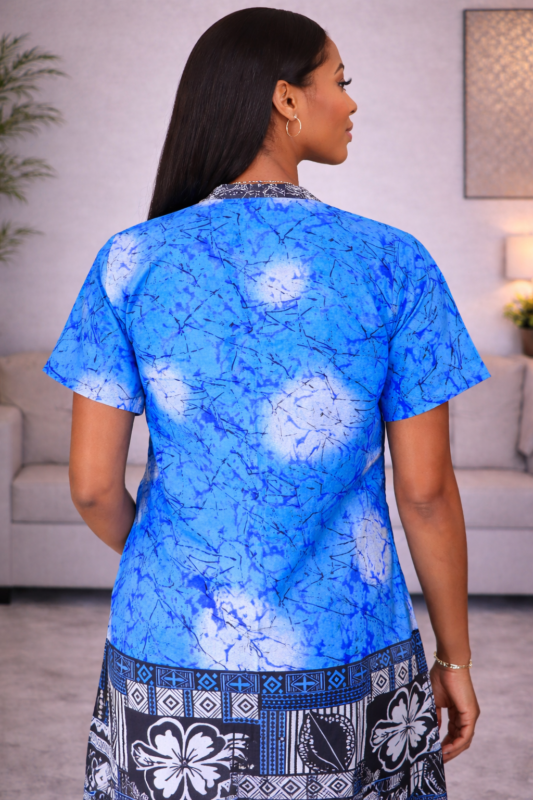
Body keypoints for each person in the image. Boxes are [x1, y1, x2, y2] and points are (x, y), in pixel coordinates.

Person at [44, 8, 486, 800]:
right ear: (286, 98)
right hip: (348, 655)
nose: (351, 101)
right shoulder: (393, 262)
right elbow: (423, 492)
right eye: (339, 81)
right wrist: (452, 658)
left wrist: (178, 564)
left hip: (168, 662)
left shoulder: (131, 260)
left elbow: (91, 487)